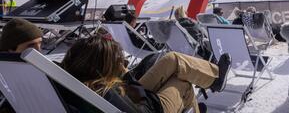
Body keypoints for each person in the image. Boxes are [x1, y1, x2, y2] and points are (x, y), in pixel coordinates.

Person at [61, 34, 232, 113]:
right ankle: (211, 84)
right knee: (183, 83)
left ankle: (214, 78)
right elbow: (144, 103)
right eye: (117, 63)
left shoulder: (72, 80)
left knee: (172, 59)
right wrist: (127, 76)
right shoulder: (106, 93)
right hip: (150, 106)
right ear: (100, 67)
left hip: (134, 97)